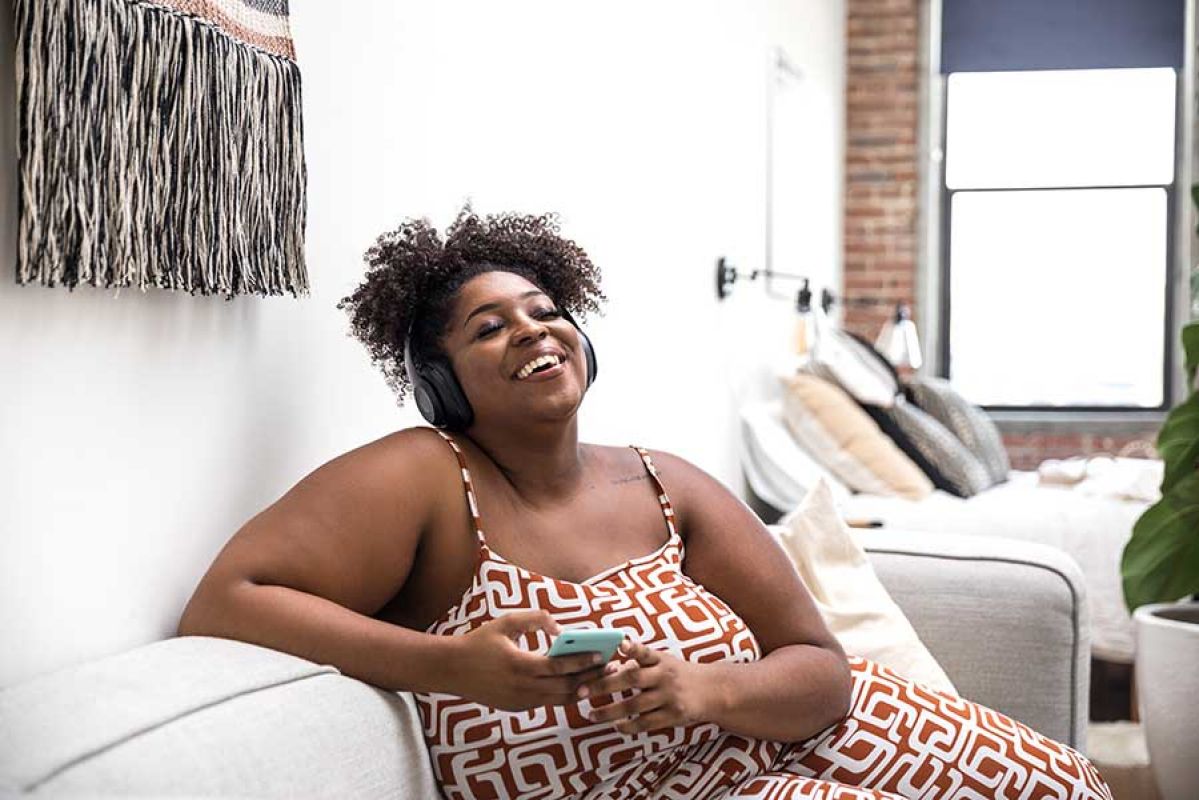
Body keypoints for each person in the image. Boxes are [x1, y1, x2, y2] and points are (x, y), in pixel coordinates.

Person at [177, 209, 1112, 800]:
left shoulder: (665, 480)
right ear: (440, 382)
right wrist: (451, 666)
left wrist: (704, 688)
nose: (531, 332)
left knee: (1065, 781)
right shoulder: (426, 474)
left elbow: (820, 671)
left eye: (544, 311)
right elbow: (228, 601)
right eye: (488, 327)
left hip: (800, 733)